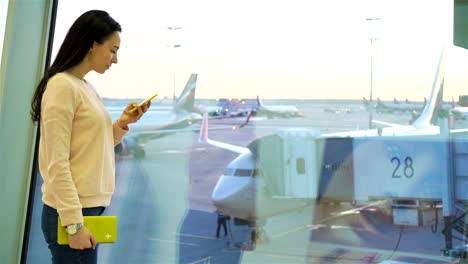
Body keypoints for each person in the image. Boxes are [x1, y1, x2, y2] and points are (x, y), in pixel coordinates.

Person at [30, 10, 150, 264]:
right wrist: (74, 225)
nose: (115, 60)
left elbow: (96, 146)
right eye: (113, 50)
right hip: (72, 214)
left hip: (85, 211)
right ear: (92, 44)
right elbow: (56, 163)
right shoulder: (62, 86)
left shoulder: (84, 86)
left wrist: (122, 123)